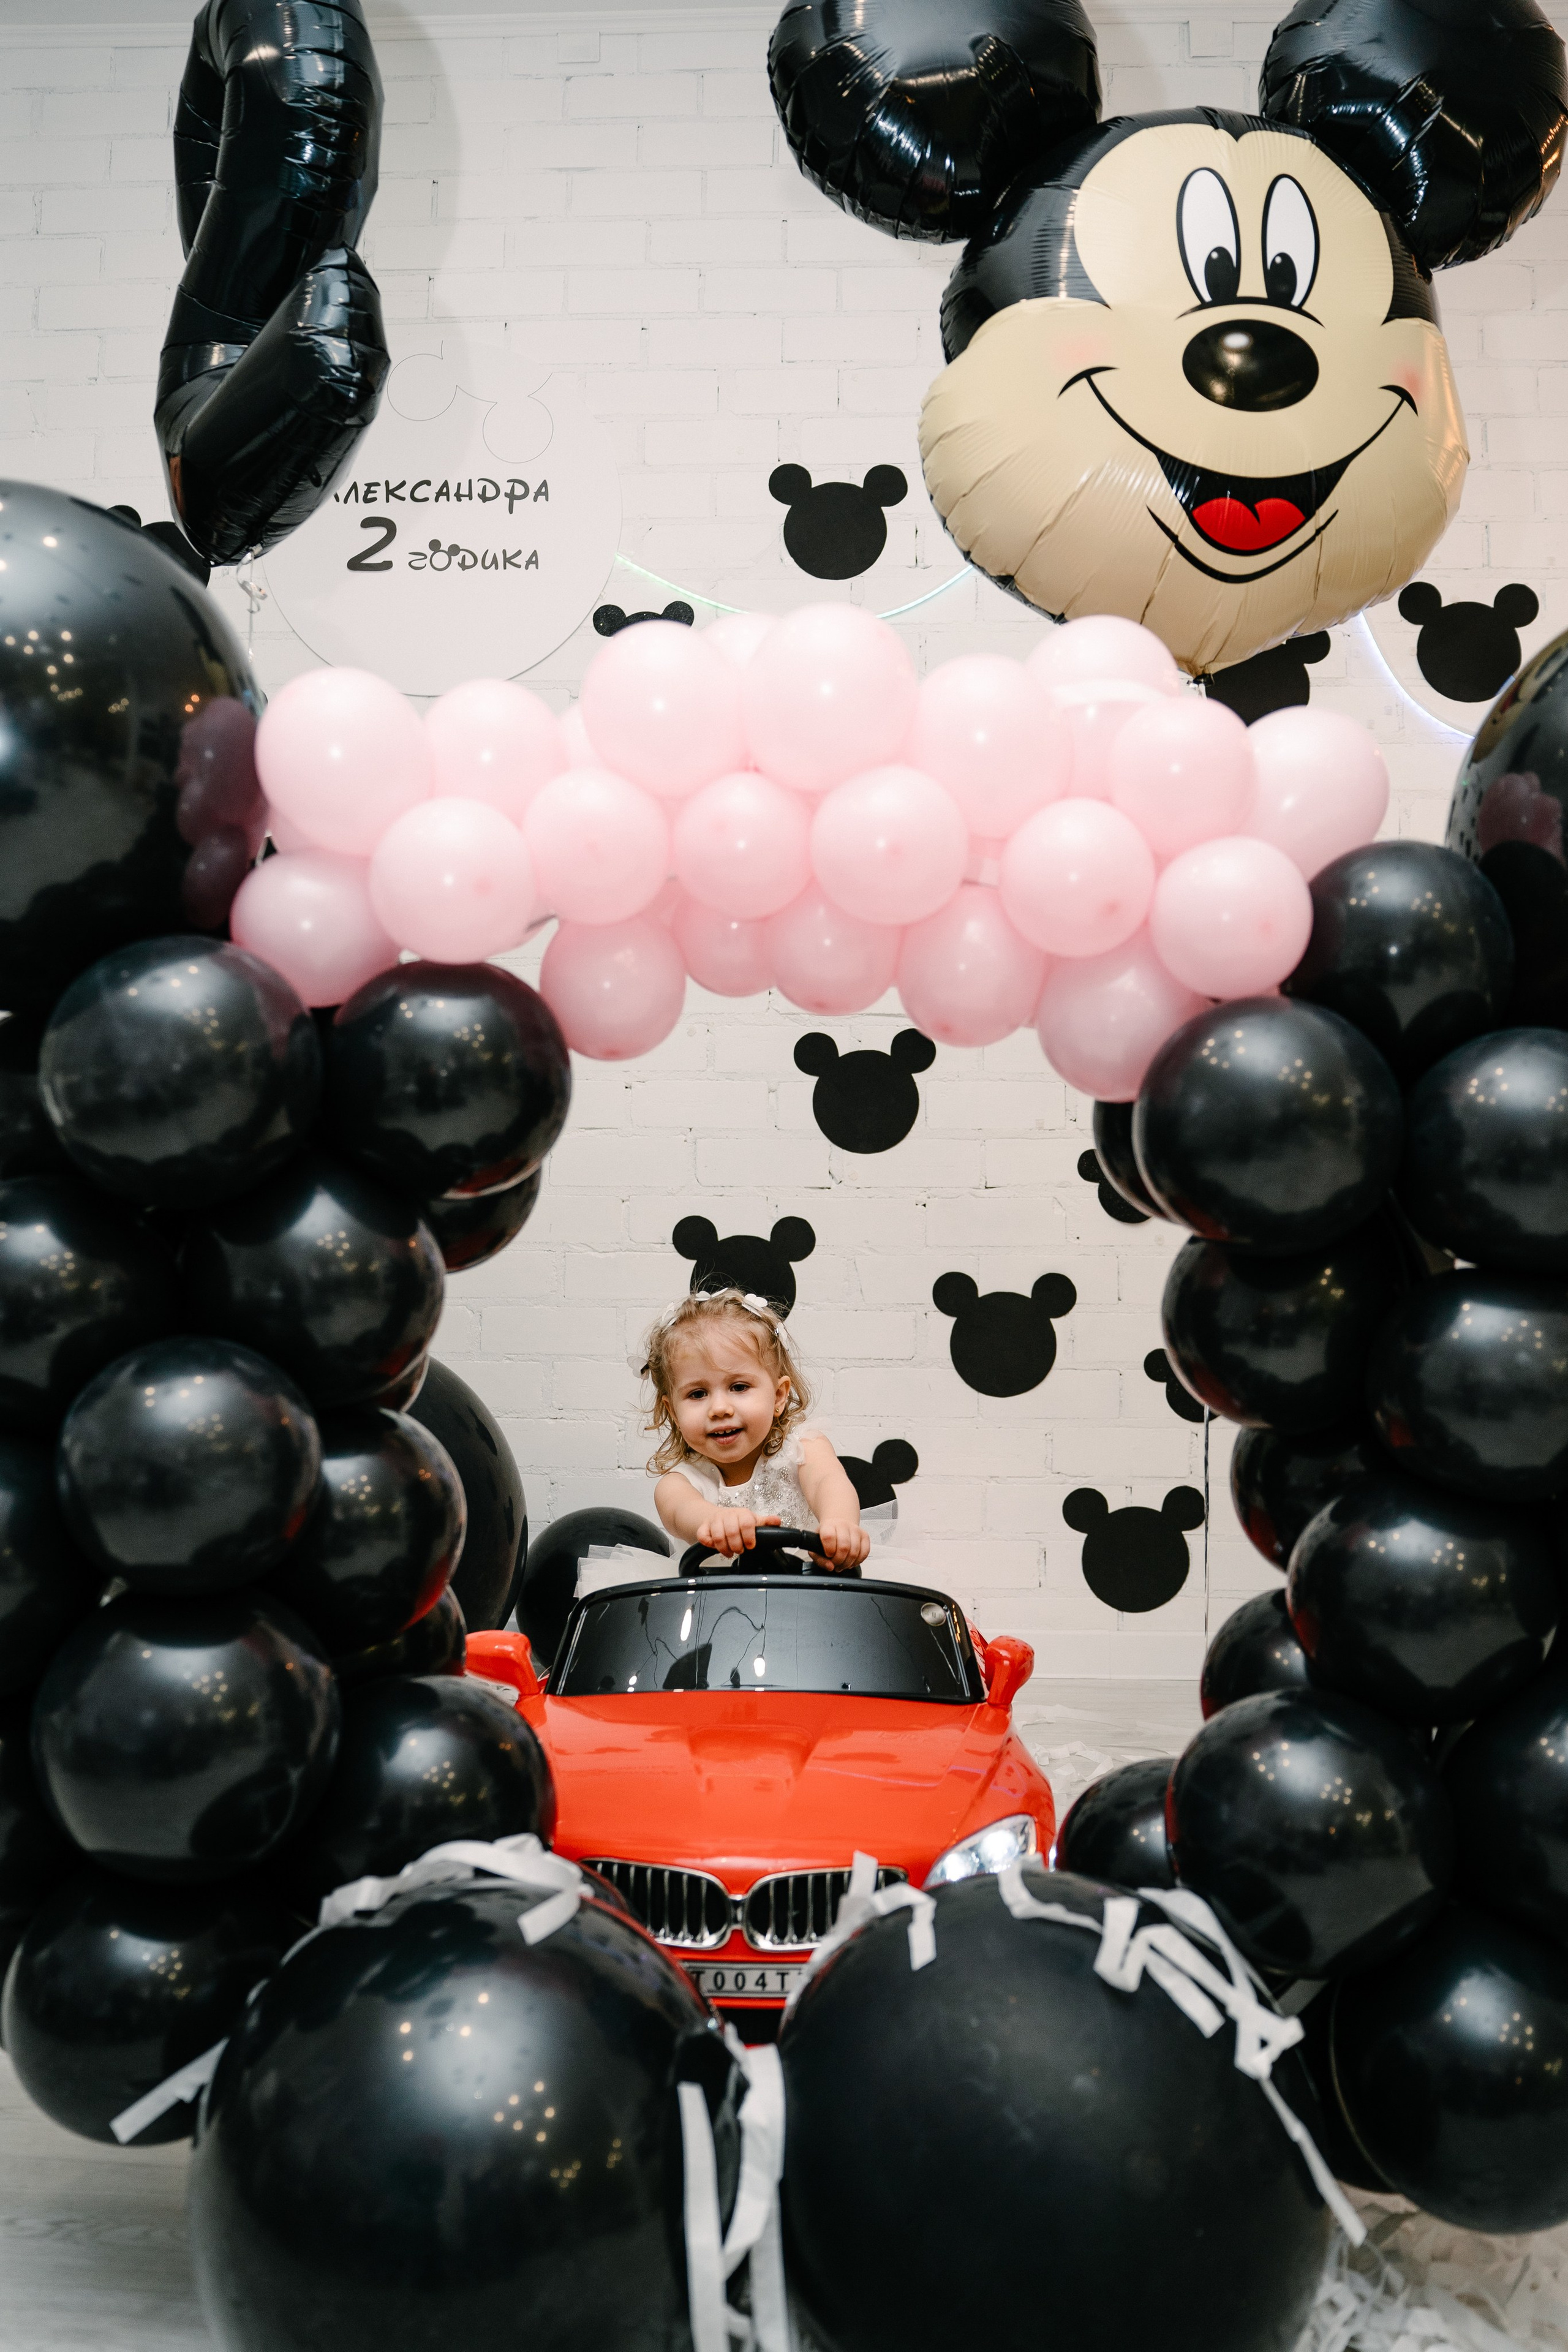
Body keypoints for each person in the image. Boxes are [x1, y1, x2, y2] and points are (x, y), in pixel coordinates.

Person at [642, 1288, 870, 1571]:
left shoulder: (805, 1448)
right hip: (716, 1603)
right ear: (673, 1412)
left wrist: (840, 1524)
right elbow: (681, 1512)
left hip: (806, 1594)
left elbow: (829, 1483)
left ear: (778, 1396)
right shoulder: (679, 1484)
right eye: (698, 1394)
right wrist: (714, 1521)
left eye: (739, 1387)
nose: (719, 1408)